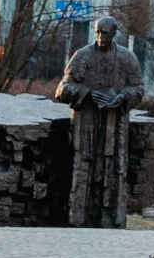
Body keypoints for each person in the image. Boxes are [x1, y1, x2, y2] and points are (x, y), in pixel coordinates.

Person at [55, 15, 146, 227]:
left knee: (114, 168)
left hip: (114, 124)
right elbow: (61, 89)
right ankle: (77, 218)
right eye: (96, 32)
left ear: (114, 34)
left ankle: (111, 219)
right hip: (86, 123)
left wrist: (122, 97)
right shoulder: (82, 55)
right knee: (82, 167)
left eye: (104, 33)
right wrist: (87, 93)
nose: (99, 37)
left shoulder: (127, 58)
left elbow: (139, 89)